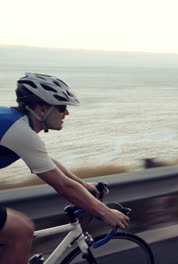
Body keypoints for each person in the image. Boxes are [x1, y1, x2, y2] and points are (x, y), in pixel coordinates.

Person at [0, 73, 130, 264]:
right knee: (21, 230)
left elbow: (46, 162)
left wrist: (82, 183)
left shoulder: (14, 123)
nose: (66, 113)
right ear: (42, 108)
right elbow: (63, 186)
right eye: (61, 107)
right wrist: (106, 213)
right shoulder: (20, 133)